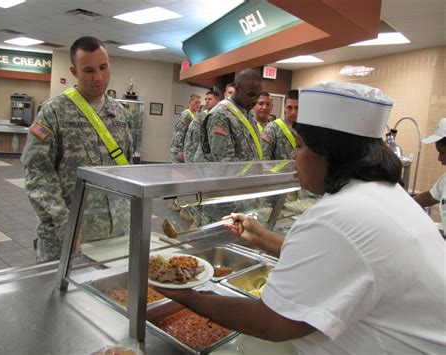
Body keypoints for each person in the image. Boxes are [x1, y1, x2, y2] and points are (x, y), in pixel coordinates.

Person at [156, 82, 445, 354]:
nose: (294, 156)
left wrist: (182, 293)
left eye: (302, 146)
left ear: (330, 155)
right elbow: (341, 261)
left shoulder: (339, 215)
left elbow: (271, 323)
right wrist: (262, 237)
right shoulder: (381, 192)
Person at [21, 36, 133, 263]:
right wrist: (65, 226)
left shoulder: (120, 114)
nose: (99, 77)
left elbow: (126, 169)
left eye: (103, 67)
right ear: (74, 71)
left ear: (110, 62)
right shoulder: (53, 113)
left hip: (116, 231)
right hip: (71, 236)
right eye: (89, 70)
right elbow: (38, 175)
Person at [200, 69, 263, 162]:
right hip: (234, 175)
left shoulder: (249, 112)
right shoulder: (220, 115)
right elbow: (225, 161)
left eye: (258, 96)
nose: (255, 100)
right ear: (236, 89)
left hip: (251, 174)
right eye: (251, 95)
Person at [414, 117, 446, 233]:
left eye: (442, 153)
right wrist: (403, 203)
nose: (439, 158)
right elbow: (430, 197)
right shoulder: (445, 180)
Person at [261, 90, 298, 160]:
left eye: (297, 108)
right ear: (284, 108)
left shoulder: (306, 131)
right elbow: (264, 160)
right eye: (289, 108)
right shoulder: (272, 128)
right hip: (280, 171)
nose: (293, 112)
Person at [169, 93, 202, 163]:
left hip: (188, 150)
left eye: (199, 103)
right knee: (178, 171)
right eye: (196, 102)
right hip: (179, 150)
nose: (198, 105)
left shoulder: (196, 115)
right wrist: (180, 150)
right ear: (190, 102)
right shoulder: (186, 115)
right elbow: (179, 133)